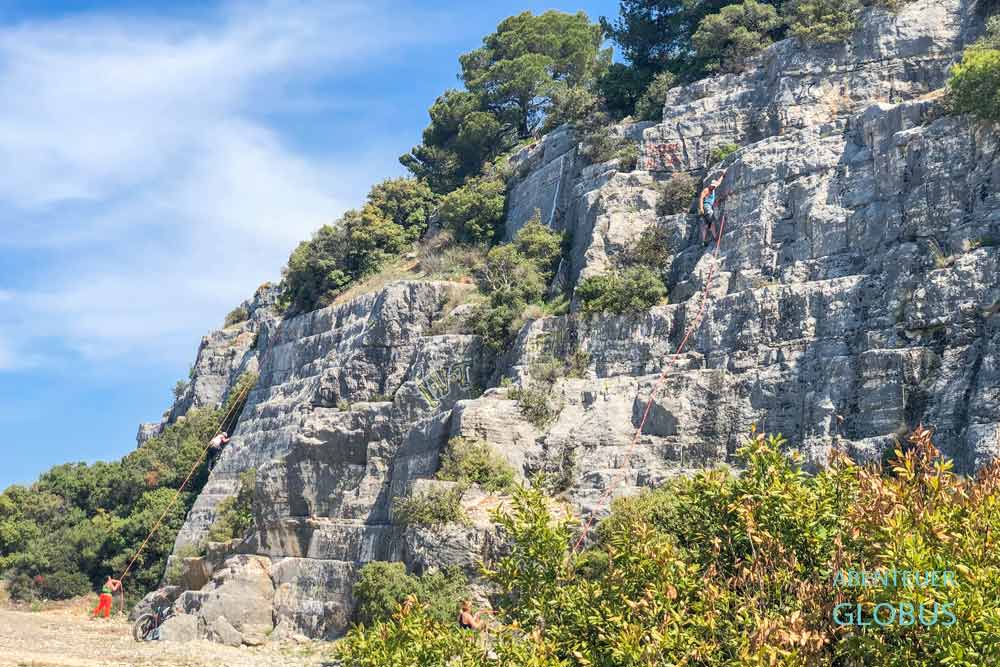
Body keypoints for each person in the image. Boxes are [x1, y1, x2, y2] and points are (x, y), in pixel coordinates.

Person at [699, 173, 725, 245]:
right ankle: (715, 236)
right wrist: (701, 208)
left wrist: (722, 176)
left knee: (707, 225)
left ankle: (704, 241)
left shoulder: (713, 189)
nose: (713, 187)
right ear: (710, 185)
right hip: (706, 206)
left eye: (714, 186)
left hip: (710, 206)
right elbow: (701, 199)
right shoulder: (706, 190)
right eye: (712, 186)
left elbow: (719, 182)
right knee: (712, 220)